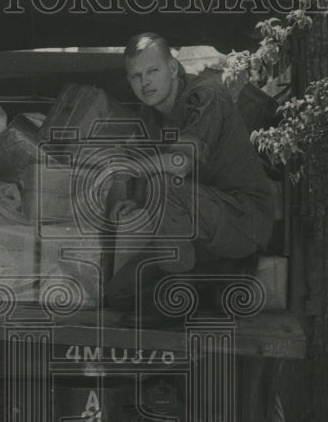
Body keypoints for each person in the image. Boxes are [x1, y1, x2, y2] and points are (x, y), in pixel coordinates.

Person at [105, 32, 274, 324]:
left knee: (164, 182)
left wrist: (140, 172)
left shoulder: (204, 95)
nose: (144, 83)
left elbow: (178, 164)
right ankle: (216, 279)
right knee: (118, 294)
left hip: (242, 219)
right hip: (195, 233)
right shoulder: (150, 115)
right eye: (135, 76)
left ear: (173, 68)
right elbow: (126, 161)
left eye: (152, 71)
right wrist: (124, 196)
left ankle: (178, 301)